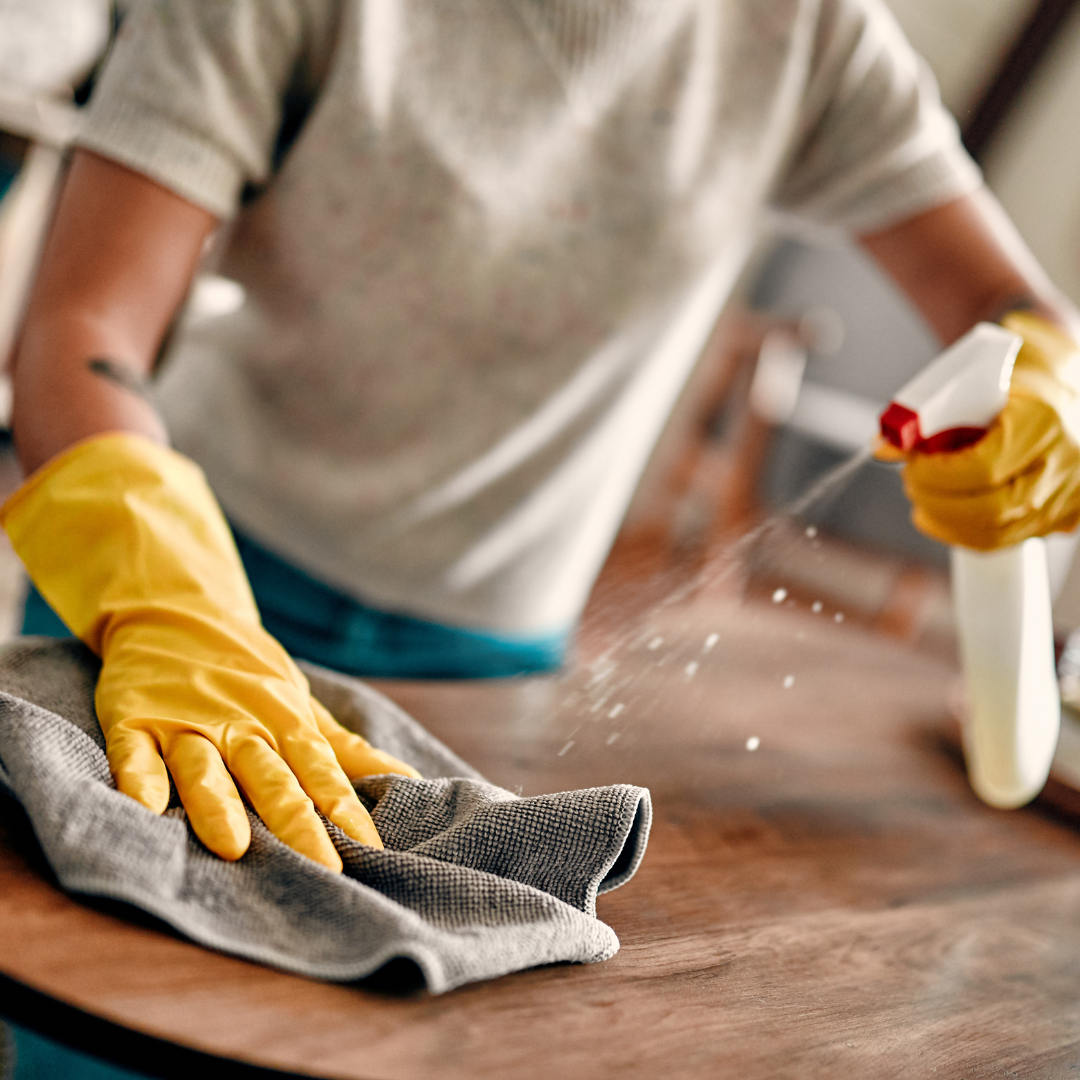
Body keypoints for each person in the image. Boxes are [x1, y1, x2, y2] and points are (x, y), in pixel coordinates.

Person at [5, 0, 1080, 1073]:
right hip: (163, 599)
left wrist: (1050, 381)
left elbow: (1010, 298)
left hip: (490, 670)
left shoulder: (807, 31)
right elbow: (84, 324)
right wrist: (171, 602)